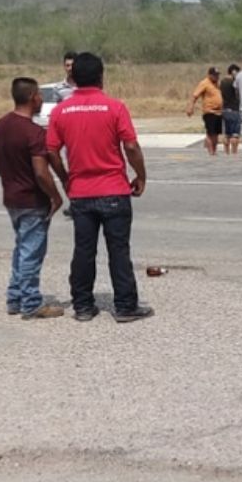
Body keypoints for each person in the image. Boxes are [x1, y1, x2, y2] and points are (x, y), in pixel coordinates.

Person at [45, 52, 153, 323]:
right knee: (118, 250)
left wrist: (65, 178)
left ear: (74, 78)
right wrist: (140, 175)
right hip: (114, 189)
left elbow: (51, 151)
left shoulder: (61, 111)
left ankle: (83, 306)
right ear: (101, 76)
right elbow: (130, 146)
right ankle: (126, 306)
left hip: (81, 192)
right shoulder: (115, 107)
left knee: (83, 250)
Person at [0, 77, 66, 320]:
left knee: (21, 248)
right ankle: (31, 302)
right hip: (32, 199)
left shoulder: (1, 125)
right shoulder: (34, 133)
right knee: (32, 252)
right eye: (38, 95)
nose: (40, 100)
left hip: (11, 196)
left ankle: (15, 297)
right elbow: (41, 171)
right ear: (32, 96)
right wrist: (55, 196)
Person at [186, 66, 223, 157]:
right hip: (209, 111)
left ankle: (214, 150)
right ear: (210, 75)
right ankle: (211, 151)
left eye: (217, 75)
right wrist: (190, 107)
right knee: (210, 132)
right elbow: (195, 96)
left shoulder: (217, 84)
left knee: (216, 133)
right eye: (214, 75)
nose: (216, 77)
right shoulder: (204, 83)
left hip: (219, 112)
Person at [220, 64, 242, 155]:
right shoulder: (234, 82)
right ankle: (234, 153)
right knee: (235, 134)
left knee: (226, 134)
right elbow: (238, 94)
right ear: (234, 72)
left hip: (224, 109)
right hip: (234, 110)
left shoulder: (221, 82)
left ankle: (226, 152)